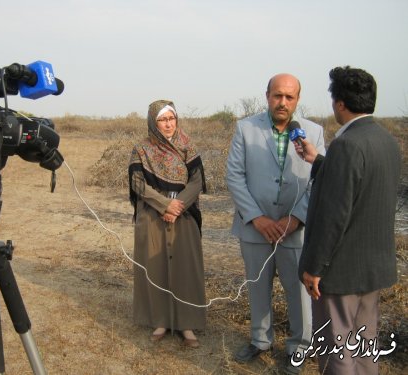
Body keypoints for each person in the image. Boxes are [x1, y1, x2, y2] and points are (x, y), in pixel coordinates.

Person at [295, 66, 401, 374]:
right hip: (373, 267)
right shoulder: (386, 140)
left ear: (340, 104)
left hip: (341, 272)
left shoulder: (346, 145)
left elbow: (334, 215)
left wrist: (314, 267)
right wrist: (319, 162)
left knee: (336, 347)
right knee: (364, 344)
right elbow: (360, 185)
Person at [226, 73, 325, 374]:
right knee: (257, 287)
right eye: (277, 95)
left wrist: (295, 219)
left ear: (297, 99)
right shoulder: (246, 128)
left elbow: (321, 179)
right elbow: (234, 176)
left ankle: (299, 347)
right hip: (255, 228)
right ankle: (260, 340)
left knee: (299, 294)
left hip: (295, 231)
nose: (282, 102)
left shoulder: (313, 132)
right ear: (267, 95)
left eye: (289, 97)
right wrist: (257, 218)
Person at [128, 99, 207, 348]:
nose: (168, 124)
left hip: (183, 215)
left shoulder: (187, 145)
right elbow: (138, 183)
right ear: (153, 122)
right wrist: (164, 204)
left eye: (171, 118)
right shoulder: (141, 149)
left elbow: (197, 181)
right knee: (155, 268)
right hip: (153, 215)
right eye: (162, 119)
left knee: (186, 270)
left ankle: (186, 324)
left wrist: (177, 205)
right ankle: (159, 320)